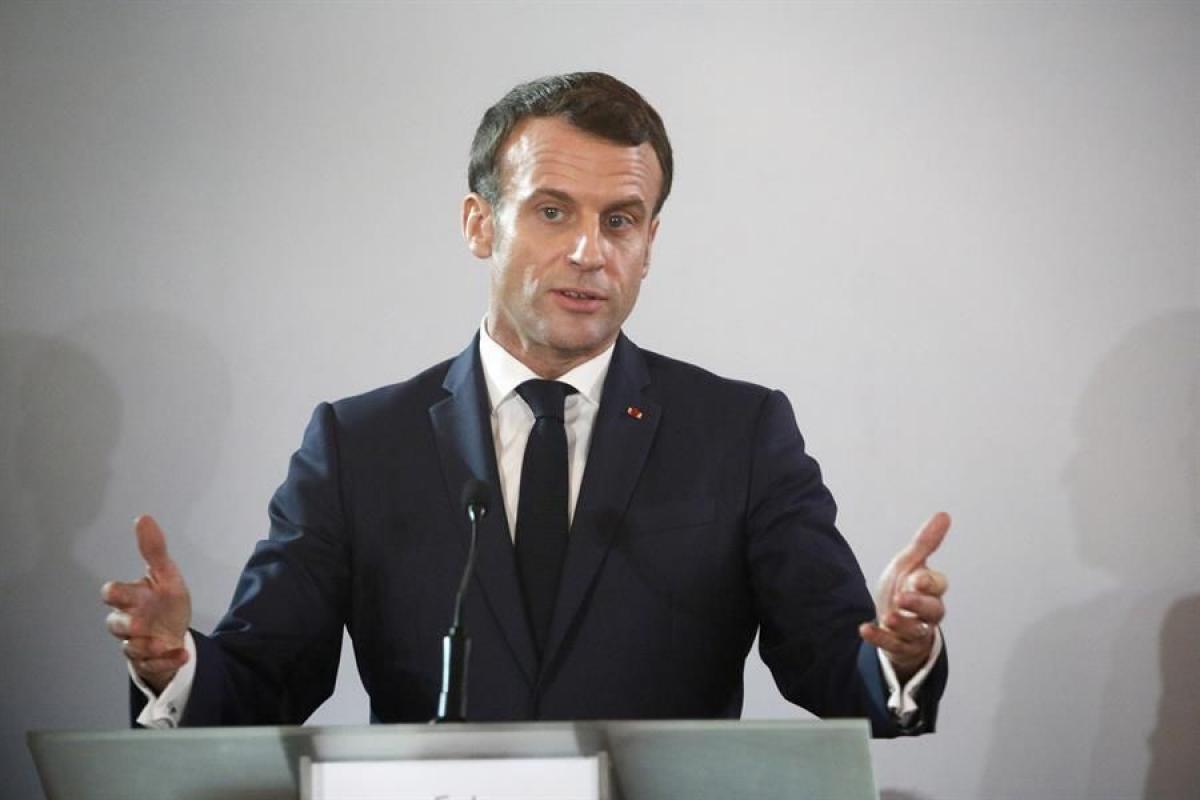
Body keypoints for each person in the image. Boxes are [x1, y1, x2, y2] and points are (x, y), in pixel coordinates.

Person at [101, 72, 949, 736]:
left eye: (621, 221)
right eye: (552, 211)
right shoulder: (361, 445)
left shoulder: (739, 432)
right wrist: (176, 663)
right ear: (481, 224)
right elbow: (267, 679)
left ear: (650, 243)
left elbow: (837, 667)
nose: (589, 252)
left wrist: (900, 653)